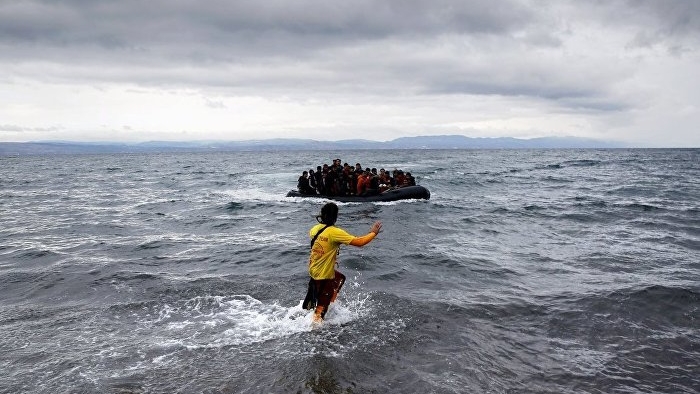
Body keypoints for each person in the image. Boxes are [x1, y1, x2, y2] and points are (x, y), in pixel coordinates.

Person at [304, 202, 382, 323]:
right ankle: (316, 332)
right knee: (320, 311)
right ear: (335, 216)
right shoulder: (335, 232)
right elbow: (359, 242)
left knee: (340, 278)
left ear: (322, 215)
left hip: (314, 269)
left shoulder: (315, 229)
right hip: (324, 274)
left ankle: (328, 301)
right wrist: (373, 233)